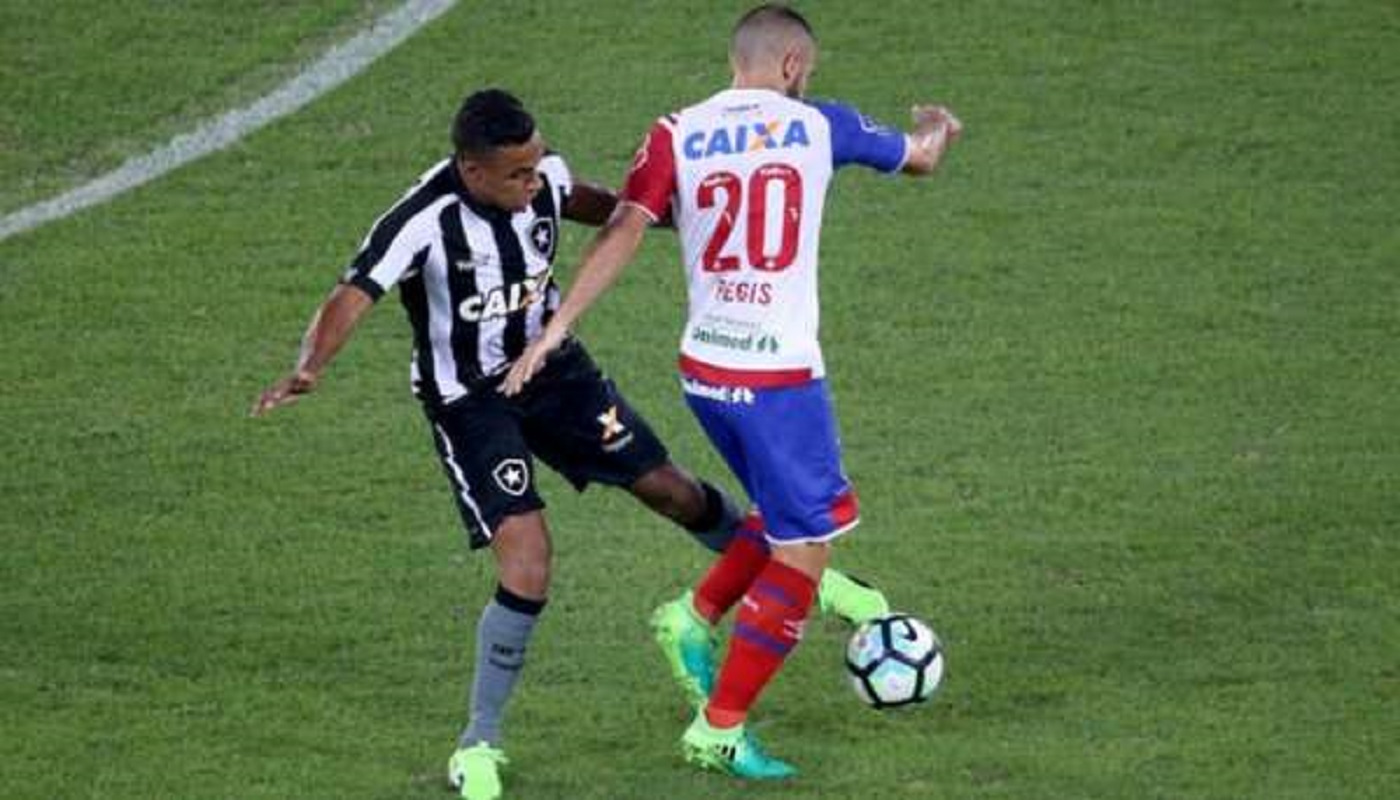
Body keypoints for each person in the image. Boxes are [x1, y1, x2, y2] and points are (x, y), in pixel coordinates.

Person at [251, 88, 888, 799]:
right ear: (471, 169)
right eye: (517, 174)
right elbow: (353, 294)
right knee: (529, 561)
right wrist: (310, 366)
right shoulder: (421, 220)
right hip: (471, 403)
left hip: (556, 374)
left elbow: (591, 201)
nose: (535, 181)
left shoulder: (543, 177)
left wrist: (662, 215)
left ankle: (797, 573)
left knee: (671, 490)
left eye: (536, 165)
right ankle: (479, 742)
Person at [502, 3, 962, 781]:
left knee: (779, 520)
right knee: (804, 554)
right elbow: (920, 159)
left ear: (734, 62)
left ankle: (693, 617)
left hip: (705, 372)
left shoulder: (675, 132)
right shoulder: (820, 123)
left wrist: (557, 328)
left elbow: (623, 227)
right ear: (792, 65)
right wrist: (937, 126)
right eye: (806, 70)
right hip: (780, 378)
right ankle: (720, 728)